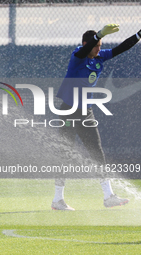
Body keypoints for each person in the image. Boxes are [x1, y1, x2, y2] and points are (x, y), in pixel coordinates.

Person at [51, 24, 141, 210]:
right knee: (64, 153)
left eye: (100, 45)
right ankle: (57, 200)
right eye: (96, 45)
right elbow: (84, 50)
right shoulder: (78, 56)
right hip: (68, 110)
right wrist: (98, 34)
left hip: (86, 111)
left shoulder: (99, 57)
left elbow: (121, 48)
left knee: (96, 151)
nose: (99, 48)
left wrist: (139, 35)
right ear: (86, 43)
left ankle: (108, 196)